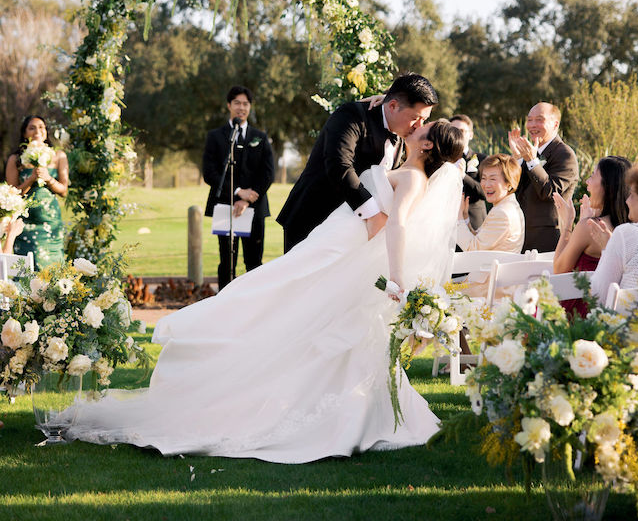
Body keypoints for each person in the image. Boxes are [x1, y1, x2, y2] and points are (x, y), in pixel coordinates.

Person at [65, 121, 465, 460]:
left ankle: (303, 402)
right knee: (271, 300)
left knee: (280, 306)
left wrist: (395, 279)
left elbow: (398, 226)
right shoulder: (406, 165)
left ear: (428, 144)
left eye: (425, 126)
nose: (417, 125)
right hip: (331, 243)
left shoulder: (412, 178)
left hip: (339, 252)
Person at [278, 73, 438, 252]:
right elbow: (339, 164)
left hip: (350, 233)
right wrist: (373, 215)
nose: (419, 126)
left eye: (424, 119)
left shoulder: (402, 135)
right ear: (393, 106)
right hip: (313, 218)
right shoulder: (352, 115)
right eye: (416, 118)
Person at [202, 86, 275, 291]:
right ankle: (224, 305)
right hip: (226, 207)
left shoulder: (260, 137)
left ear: (250, 107)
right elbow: (210, 173)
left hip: (254, 207)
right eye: (237, 103)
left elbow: (268, 173)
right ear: (229, 106)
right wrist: (236, 192)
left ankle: (254, 306)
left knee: (254, 262)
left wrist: (248, 198)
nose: (241, 108)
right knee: (227, 261)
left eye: (245, 104)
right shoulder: (215, 137)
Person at [591, 160, 638, 345]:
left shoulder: (627, 234)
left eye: (631, 195)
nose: (627, 201)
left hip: (628, 349)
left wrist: (607, 249)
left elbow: (599, 296)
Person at [508, 102, 579, 253]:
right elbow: (513, 189)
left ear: (555, 124)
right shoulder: (531, 152)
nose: (532, 125)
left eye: (539, 120)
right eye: (529, 120)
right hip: (521, 235)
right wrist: (518, 158)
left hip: (547, 238)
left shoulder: (564, 154)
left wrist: (532, 161)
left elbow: (551, 192)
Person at [455, 153, 525, 297]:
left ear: (509, 183)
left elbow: (473, 250)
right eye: (484, 178)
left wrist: (458, 219)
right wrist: (466, 218)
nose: (486, 184)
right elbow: (481, 241)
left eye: (493, 179)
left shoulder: (503, 213)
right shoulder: (506, 206)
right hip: (490, 284)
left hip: (489, 291)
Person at [5, 115, 68, 270]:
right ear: (24, 133)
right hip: (25, 223)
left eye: (41, 127)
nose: (37, 131)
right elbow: (11, 194)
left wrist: (48, 179)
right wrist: (30, 179)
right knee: (28, 268)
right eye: (32, 128)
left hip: (50, 223)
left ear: (46, 131)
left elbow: (64, 191)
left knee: (54, 270)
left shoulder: (58, 156)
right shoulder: (15, 159)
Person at [553, 155, 631, 275]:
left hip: (588, 293)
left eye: (593, 176)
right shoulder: (632, 227)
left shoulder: (590, 227)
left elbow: (558, 270)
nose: (587, 181)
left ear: (607, 186)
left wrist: (568, 223)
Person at [450, 114, 486, 229]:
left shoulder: (482, 159)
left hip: (474, 221)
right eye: (453, 130)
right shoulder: (441, 160)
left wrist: (464, 176)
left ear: (470, 135)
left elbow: (484, 192)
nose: (457, 134)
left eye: (461, 130)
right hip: (447, 222)